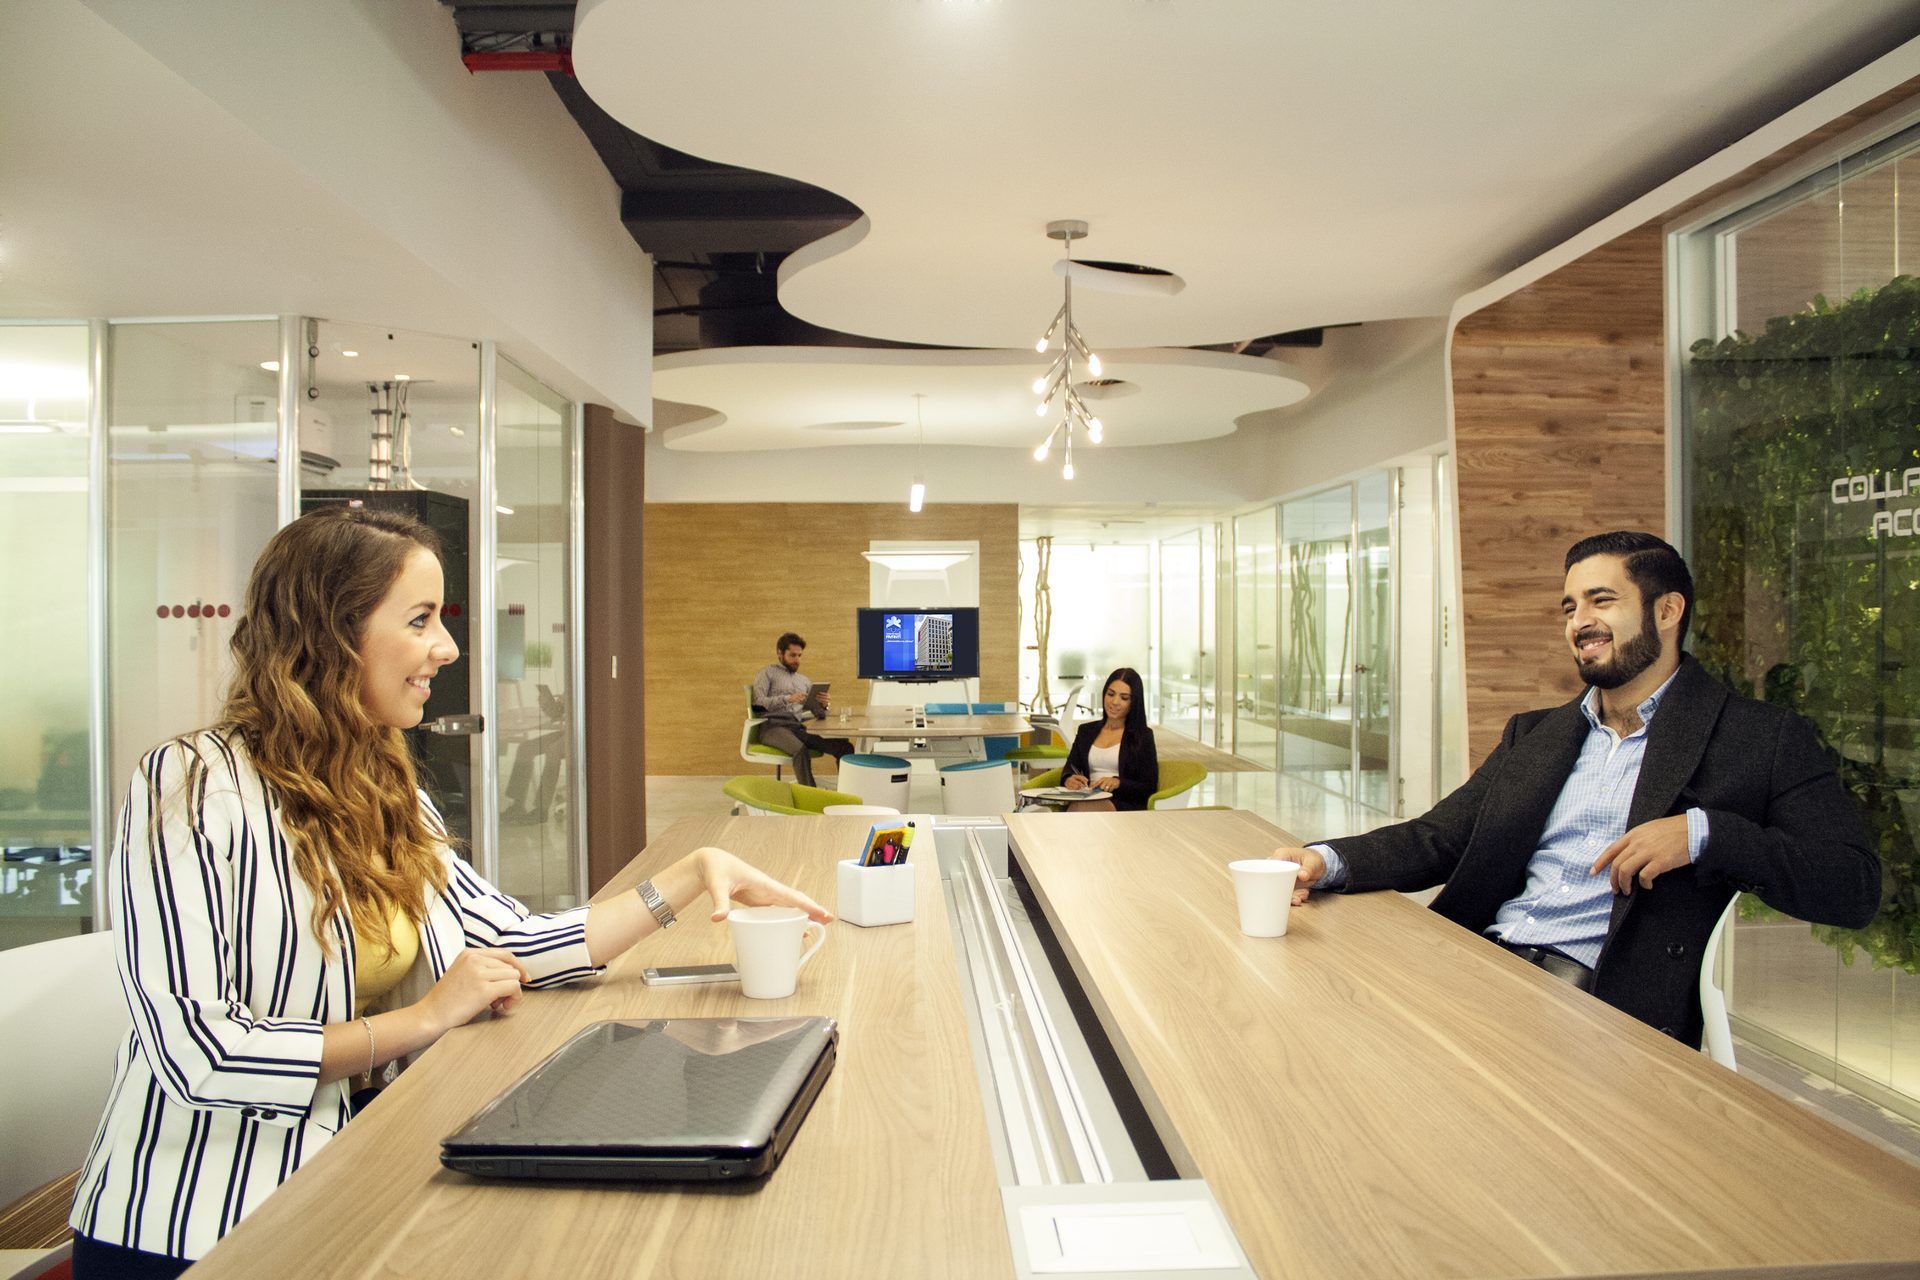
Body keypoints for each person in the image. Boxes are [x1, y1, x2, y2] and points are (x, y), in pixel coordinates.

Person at [69, 507, 830, 1277]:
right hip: (202, 1223)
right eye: (421, 619)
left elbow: (513, 943)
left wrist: (693, 875)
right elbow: (200, 1053)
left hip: (354, 1169)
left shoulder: (384, 783)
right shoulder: (194, 785)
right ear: (330, 633)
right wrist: (425, 1018)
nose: (449, 647)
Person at [1278, 531, 1880, 1047]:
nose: (1579, 622)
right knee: (1306, 1019)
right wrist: (1322, 861)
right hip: (1480, 967)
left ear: (1667, 611)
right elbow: (1438, 838)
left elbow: (1851, 886)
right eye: (1569, 607)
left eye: (1601, 601)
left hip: (1594, 1006)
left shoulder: (1758, 738)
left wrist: (1705, 834)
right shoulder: (1537, 733)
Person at [750, 632, 853, 788]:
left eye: (799, 656)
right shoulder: (767, 673)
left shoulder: (804, 680)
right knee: (800, 750)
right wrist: (787, 698)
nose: (797, 660)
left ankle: (848, 793)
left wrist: (823, 705)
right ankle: (810, 796)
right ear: (779, 652)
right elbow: (758, 702)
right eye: (792, 655)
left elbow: (816, 713)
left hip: (797, 727)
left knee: (844, 747)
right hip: (772, 726)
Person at [1060, 667, 1160, 812]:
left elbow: (1149, 785)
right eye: (1110, 694)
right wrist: (1068, 779)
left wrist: (1118, 782)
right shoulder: (1086, 731)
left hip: (1122, 803)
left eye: (1124, 698)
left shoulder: (1143, 736)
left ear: (1133, 702)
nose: (1114, 702)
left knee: (1080, 809)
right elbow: (1070, 767)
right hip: (1085, 797)